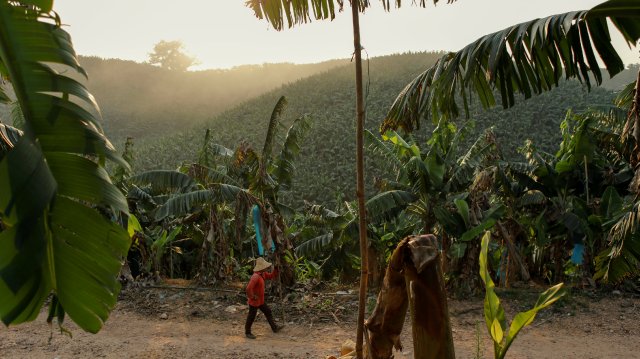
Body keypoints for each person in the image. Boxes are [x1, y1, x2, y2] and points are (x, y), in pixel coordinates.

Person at [244, 257, 283, 339]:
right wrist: (252, 296)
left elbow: (272, 275)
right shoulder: (256, 277)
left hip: (260, 301)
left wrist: (276, 269)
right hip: (254, 301)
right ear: (262, 267)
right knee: (251, 317)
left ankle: (274, 327)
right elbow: (248, 288)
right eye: (265, 266)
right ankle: (247, 332)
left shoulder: (262, 274)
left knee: (268, 311)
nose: (267, 267)